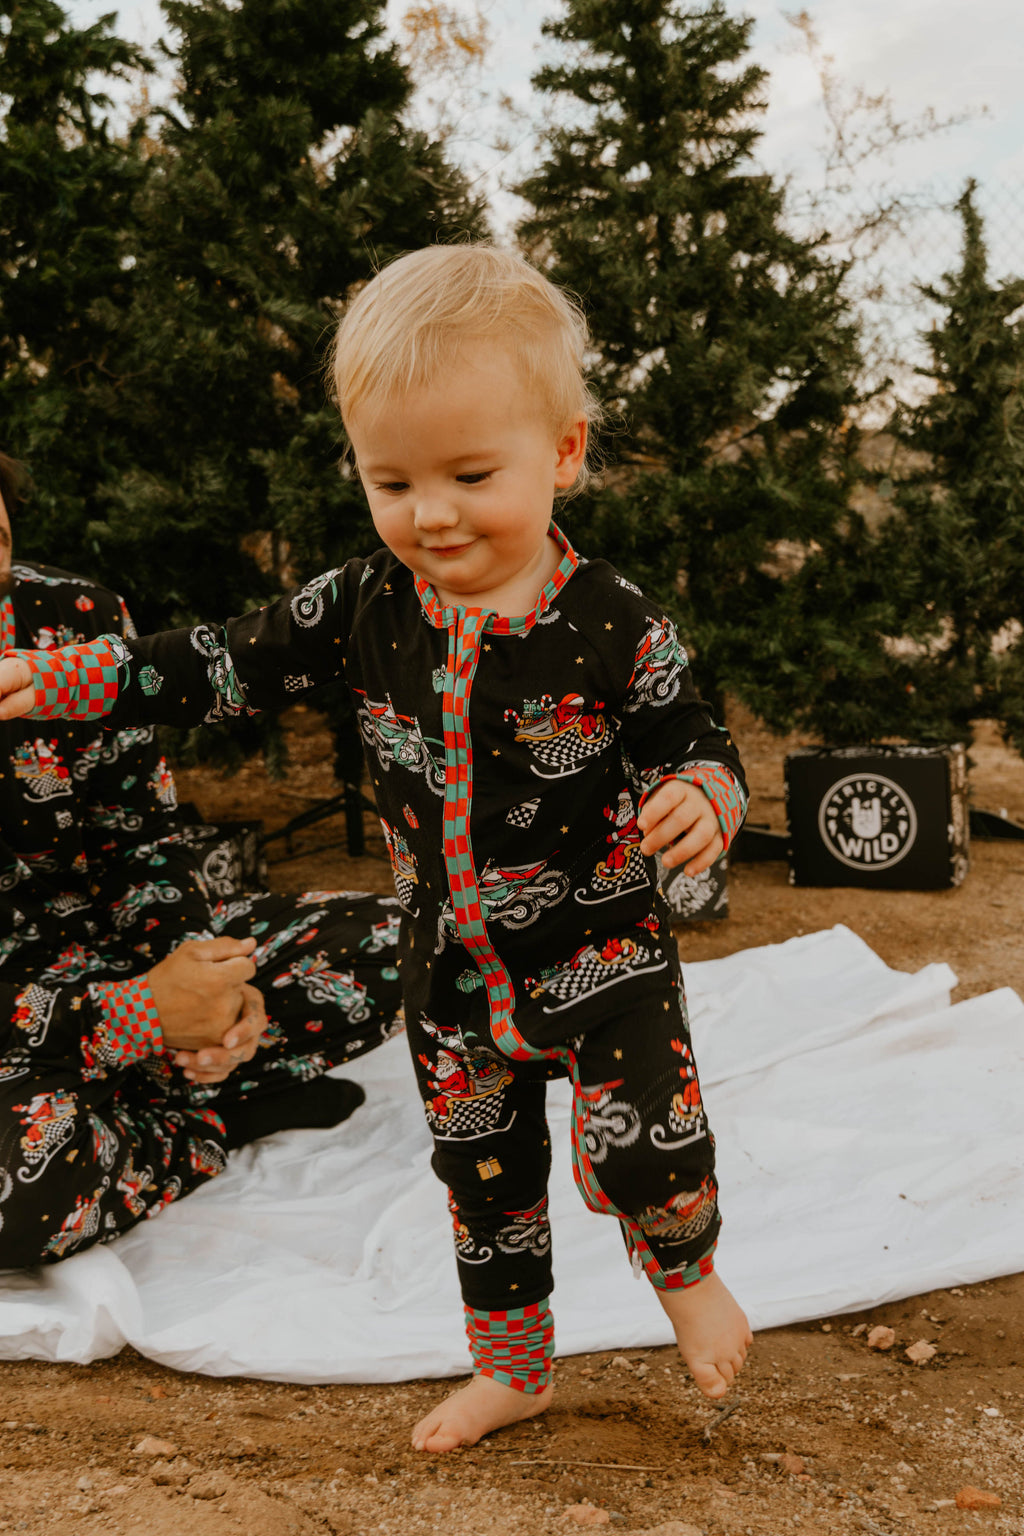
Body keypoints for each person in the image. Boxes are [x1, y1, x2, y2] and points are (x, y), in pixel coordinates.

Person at [0, 245, 753, 1448]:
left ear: (563, 451)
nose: (430, 514)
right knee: (484, 1185)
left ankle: (686, 1274)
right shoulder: (364, 604)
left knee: (648, 1145)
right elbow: (220, 662)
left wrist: (701, 796)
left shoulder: (613, 622)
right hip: (446, 966)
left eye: (469, 475)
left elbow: (692, 739)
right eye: (390, 481)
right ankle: (514, 1368)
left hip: (599, 952)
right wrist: (78, 680)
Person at [0, 451, 403, 1267]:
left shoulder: (74, 617)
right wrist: (131, 1019)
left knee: (412, 942)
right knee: (17, 1195)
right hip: (20, 1022)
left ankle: (157, 1094)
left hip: (108, 950)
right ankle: (209, 1120)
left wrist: (205, 986)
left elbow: (138, 838)